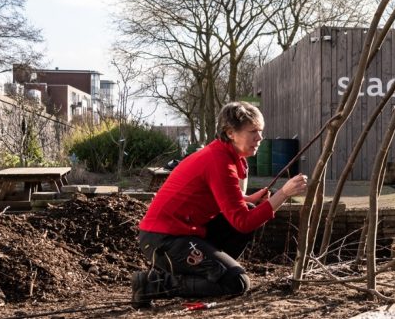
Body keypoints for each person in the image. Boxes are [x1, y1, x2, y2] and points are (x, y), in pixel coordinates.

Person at [131, 101, 307, 308]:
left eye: (260, 131)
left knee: (248, 209)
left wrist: (248, 199)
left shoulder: (224, 156)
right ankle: (154, 284)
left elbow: (228, 203)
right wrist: (284, 194)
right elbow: (243, 222)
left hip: (182, 235)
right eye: (253, 132)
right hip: (164, 240)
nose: (260, 138)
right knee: (237, 282)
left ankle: (210, 275)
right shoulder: (219, 162)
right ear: (230, 133)